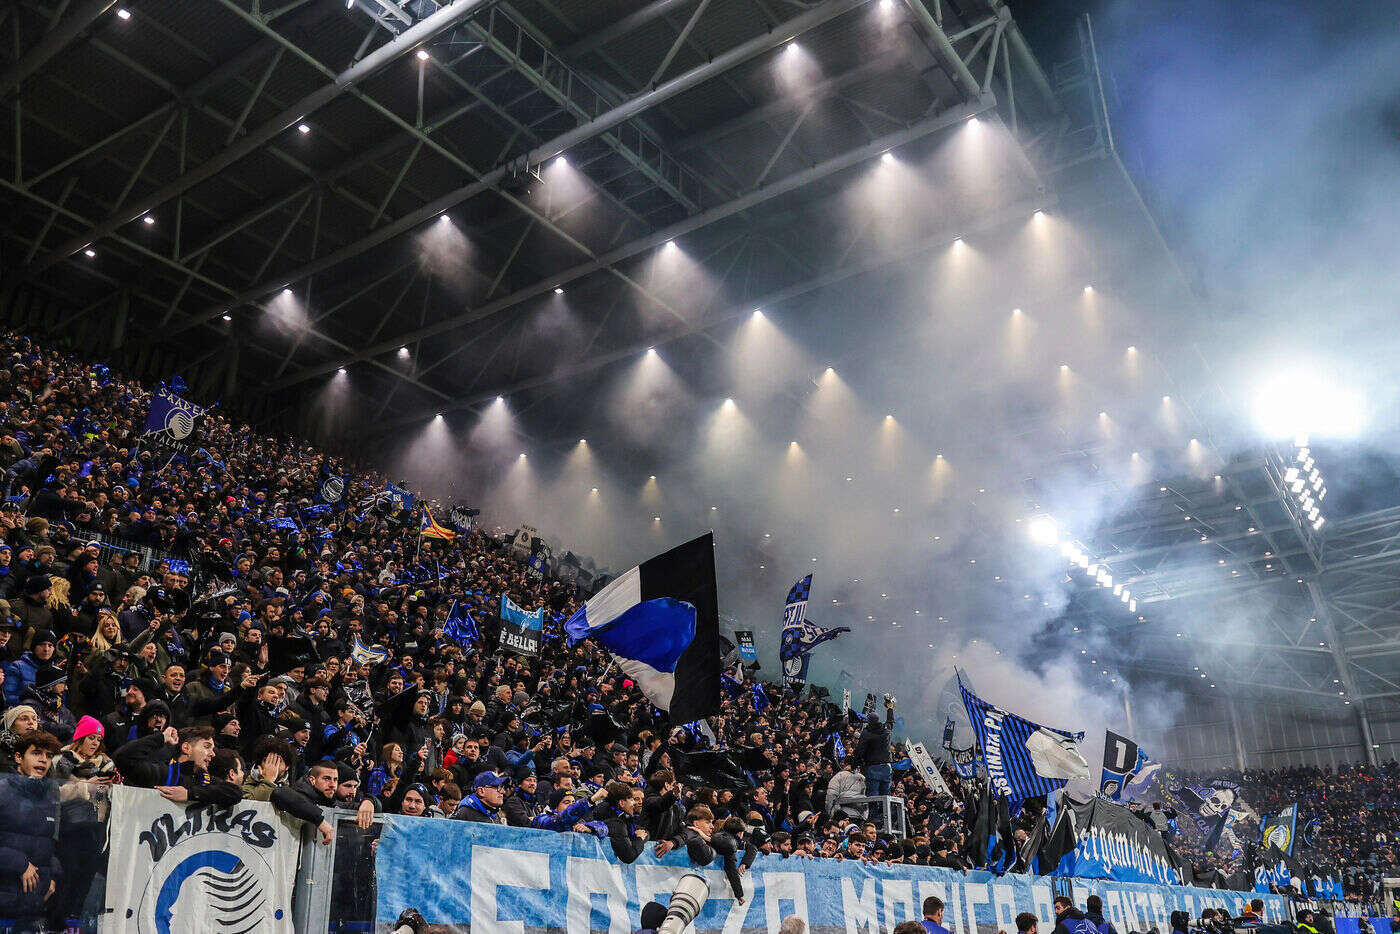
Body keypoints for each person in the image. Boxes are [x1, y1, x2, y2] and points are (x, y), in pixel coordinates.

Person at [0, 731, 63, 923]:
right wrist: (19, 863)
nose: (44, 760)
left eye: (49, 756)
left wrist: (52, 874)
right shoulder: (2, 789)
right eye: (36, 753)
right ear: (19, 757)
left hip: (35, 899)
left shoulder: (50, 794)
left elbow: (49, 842)